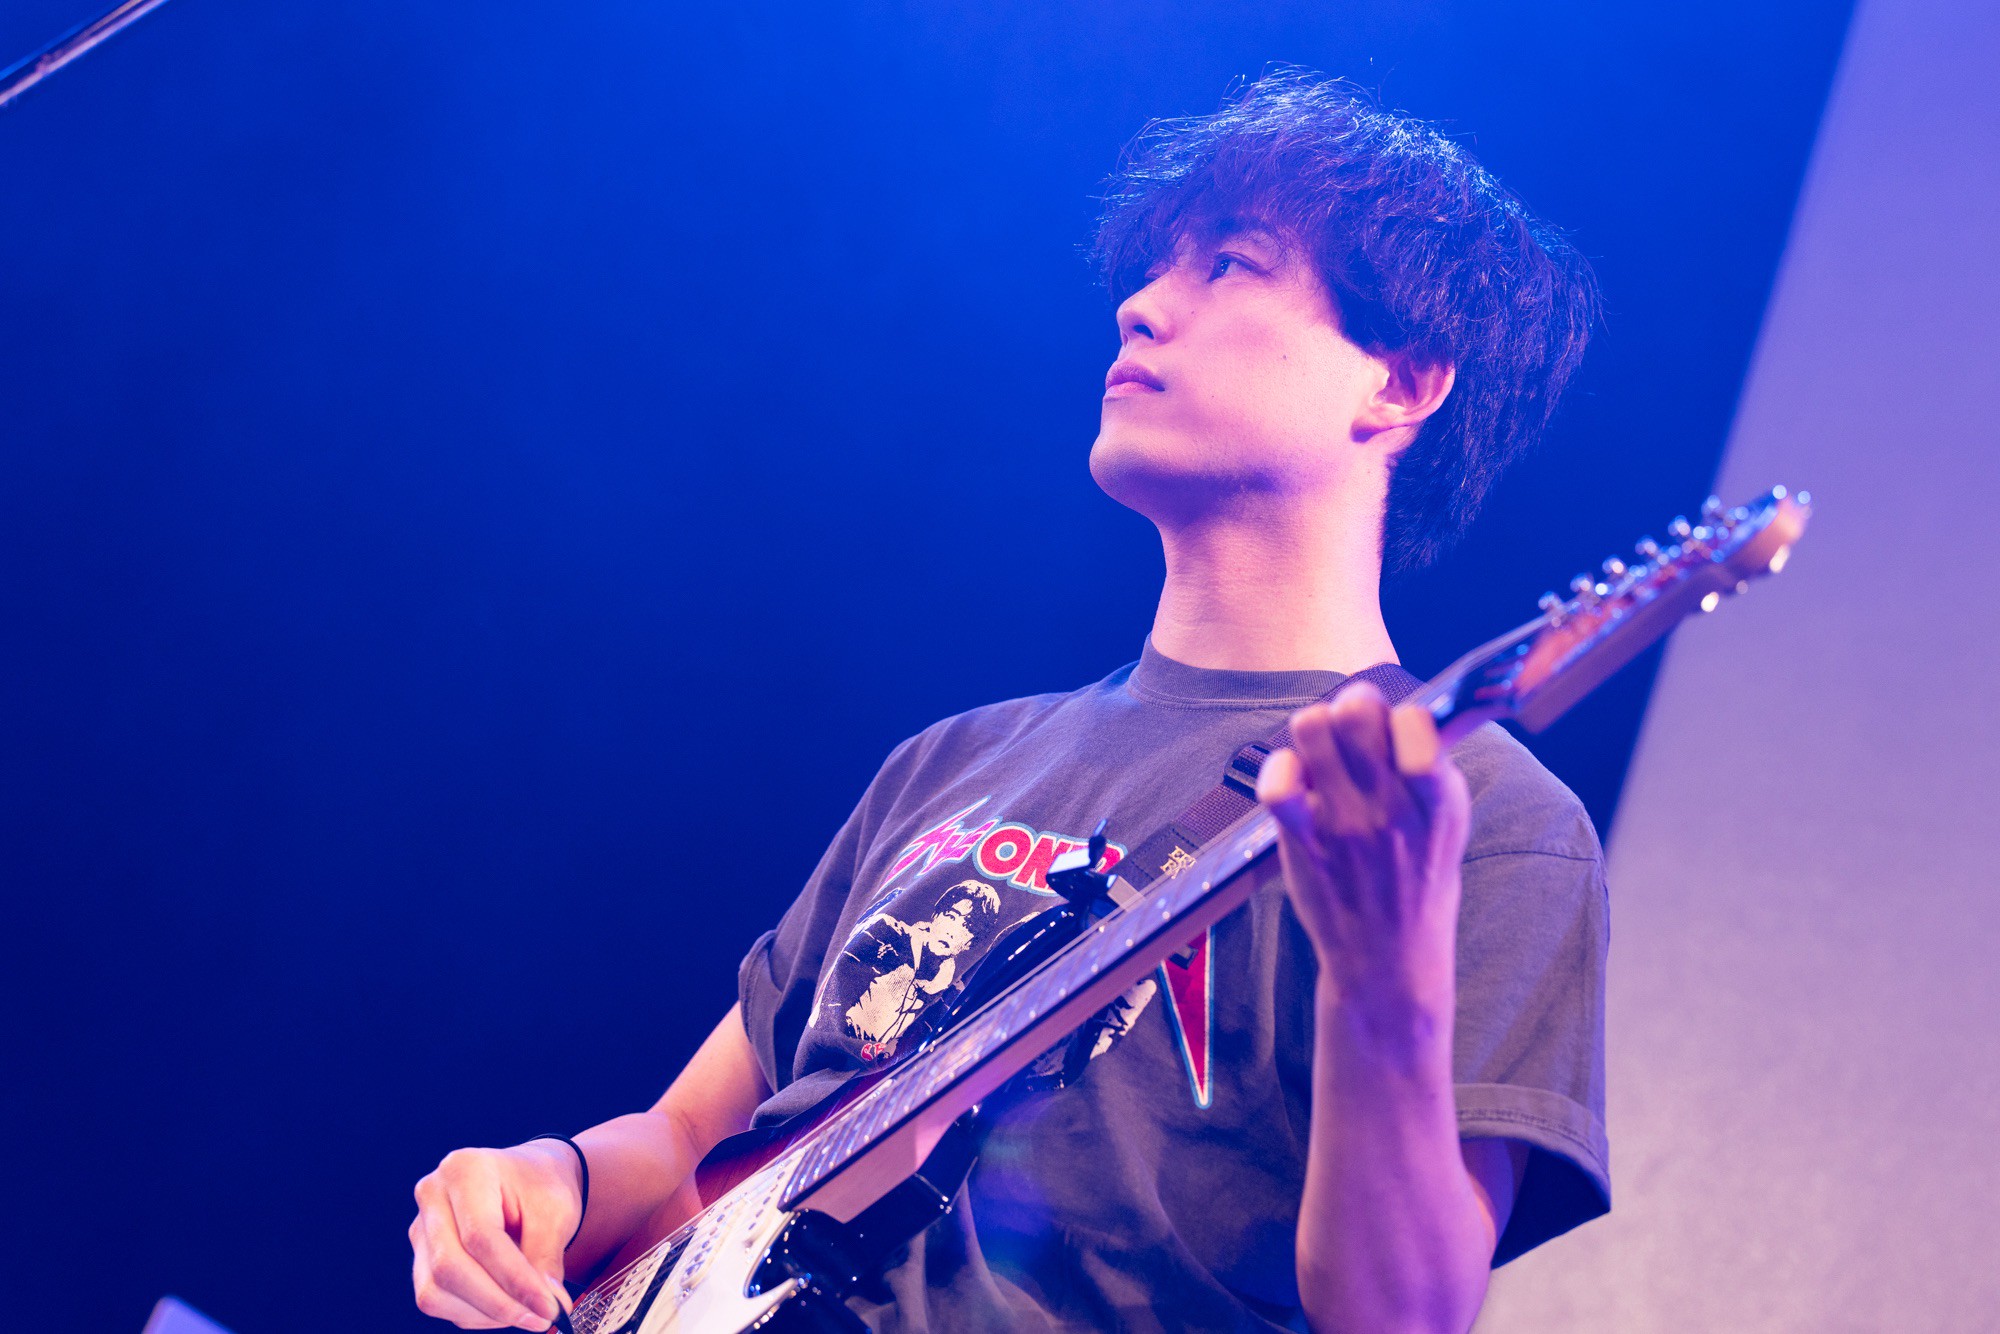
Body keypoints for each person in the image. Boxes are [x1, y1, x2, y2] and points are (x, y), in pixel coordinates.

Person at [409, 70, 1608, 1333]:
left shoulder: (1478, 812)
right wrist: (542, 1177)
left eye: (1231, 264)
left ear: (1399, 385)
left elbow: (1400, 1320)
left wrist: (1384, 979)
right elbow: (685, 1146)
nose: (1140, 303)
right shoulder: (950, 760)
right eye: (1155, 267)